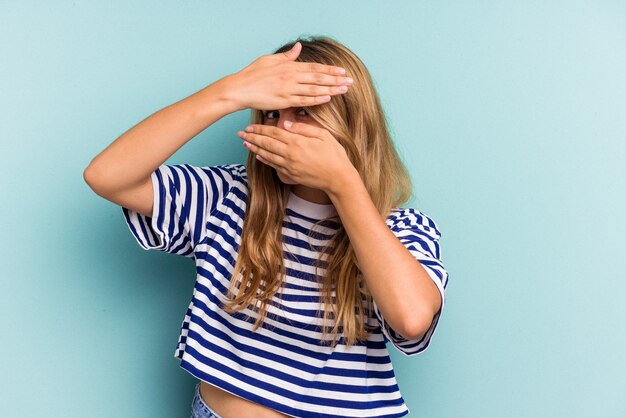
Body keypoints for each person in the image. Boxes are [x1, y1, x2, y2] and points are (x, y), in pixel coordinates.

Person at [84, 35, 449, 418]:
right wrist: (229, 92)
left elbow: (412, 320)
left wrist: (343, 184)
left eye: (304, 111)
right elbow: (107, 176)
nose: (283, 127)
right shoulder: (227, 197)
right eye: (272, 113)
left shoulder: (402, 228)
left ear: (351, 122)